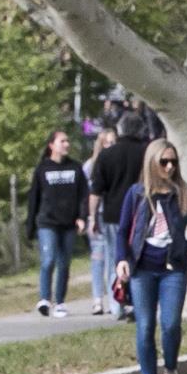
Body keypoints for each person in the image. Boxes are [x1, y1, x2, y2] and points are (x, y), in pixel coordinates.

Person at [115, 141, 187, 374]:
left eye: (173, 162)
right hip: (142, 268)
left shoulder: (185, 194)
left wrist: (183, 248)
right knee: (144, 326)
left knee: (170, 324)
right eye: (164, 162)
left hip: (172, 269)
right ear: (152, 163)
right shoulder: (137, 194)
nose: (169, 167)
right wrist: (121, 260)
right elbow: (122, 231)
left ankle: (171, 371)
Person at [86, 111, 150, 320]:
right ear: (140, 130)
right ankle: (136, 303)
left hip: (113, 214)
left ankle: (117, 304)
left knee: (116, 257)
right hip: (142, 213)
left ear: (120, 130)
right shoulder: (146, 153)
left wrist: (92, 217)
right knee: (139, 258)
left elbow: (96, 191)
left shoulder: (106, 155)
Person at [25, 130, 86, 318]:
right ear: (52, 145)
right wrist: (30, 226)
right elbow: (33, 198)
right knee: (48, 259)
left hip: (68, 224)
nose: (67, 144)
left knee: (64, 263)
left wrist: (82, 217)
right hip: (47, 222)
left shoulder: (75, 168)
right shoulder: (42, 169)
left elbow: (83, 195)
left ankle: (60, 302)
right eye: (62, 141)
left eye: (68, 141)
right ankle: (44, 299)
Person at [84, 128, 117, 314]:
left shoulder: (117, 162)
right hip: (98, 215)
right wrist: (90, 217)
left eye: (113, 142)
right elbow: (88, 194)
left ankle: (114, 299)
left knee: (113, 257)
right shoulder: (90, 166)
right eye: (107, 143)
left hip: (111, 214)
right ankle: (97, 299)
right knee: (98, 257)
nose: (111, 146)